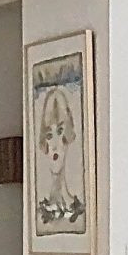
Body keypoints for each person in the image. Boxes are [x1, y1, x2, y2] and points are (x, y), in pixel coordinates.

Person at [33, 83, 85, 231]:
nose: (55, 145)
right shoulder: (40, 212)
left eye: (60, 131)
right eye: (49, 135)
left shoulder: (77, 209)